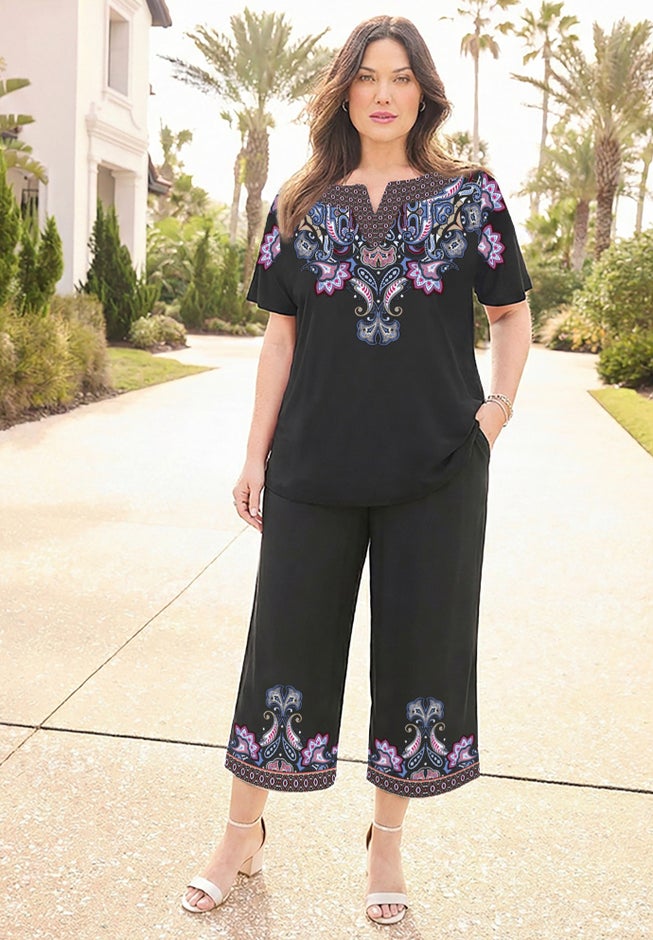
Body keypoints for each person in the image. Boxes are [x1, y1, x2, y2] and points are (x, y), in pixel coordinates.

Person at [182, 14, 531, 927]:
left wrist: (493, 416)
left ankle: (384, 843)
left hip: (437, 471)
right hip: (313, 466)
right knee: (281, 652)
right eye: (367, 76)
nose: (383, 93)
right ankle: (239, 835)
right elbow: (280, 337)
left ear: (423, 92)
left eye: (401, 77)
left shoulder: (471, 197)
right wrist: (254, 454)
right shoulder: (299, 202)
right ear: (343, 91)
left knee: (419, 657)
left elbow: (509, 314)